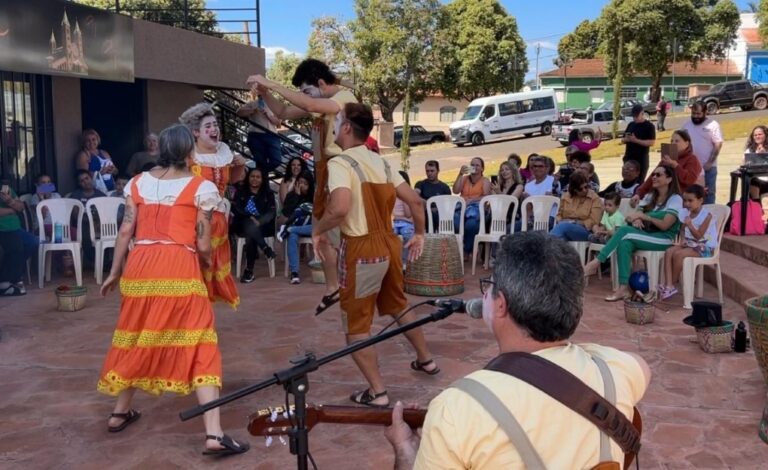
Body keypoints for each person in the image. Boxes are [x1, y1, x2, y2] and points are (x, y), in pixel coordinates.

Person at [385, 231, 651, 469]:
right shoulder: (615, 368)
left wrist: (405, 449)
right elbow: (643, 367)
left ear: (501, 305)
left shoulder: (458, 407)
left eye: (489, 286)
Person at [96, 124, 249, 457]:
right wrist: (207, 266)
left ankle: (119, 412)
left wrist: (113, 272)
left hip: (139, 267)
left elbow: (125, 232)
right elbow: (204, 243)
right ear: (188, 153)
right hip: (178, 265)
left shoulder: (137, 183)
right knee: (201, 341)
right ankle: (214, 434)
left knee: (138, 334)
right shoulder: (201, 188)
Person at [311, 102, 437, 407]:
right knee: (398, 305)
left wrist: (318, 229)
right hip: (389, 244)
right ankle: (426, 360)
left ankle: (378, 393)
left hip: (362, 249)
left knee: (356, 327)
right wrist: (419, 234)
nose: (333, 125)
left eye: (336, 120)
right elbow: (416, 203)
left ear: (345, 128)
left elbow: (340, 207)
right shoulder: (382, 162)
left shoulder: (340, 164)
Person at [248, 58, 355, 315]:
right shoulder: (321, 104)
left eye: (306, 90)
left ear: (320, 83)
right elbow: (283, 113)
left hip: (343, 172)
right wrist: (264, 93)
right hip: (324, 175)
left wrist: (270, 82)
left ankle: (356, 290)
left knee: (345, 237)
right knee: (322, 238)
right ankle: (333, 289)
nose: (304, 97)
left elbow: (307, 102)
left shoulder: (344, 97)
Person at [179, 102, 245, 309]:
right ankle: (192, 311)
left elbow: (233, 180)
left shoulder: (224, 154)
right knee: (197, 265)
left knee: (213, 266)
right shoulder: (188, 158)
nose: (214, 129)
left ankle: (203, 310)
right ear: (196, 132)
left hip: (219, 219)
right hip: (194, 219)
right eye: (208, 126)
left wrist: (240, 165)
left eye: (215, 124)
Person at [584, 164, 683, 301]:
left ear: (669, 179)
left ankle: (596, 262)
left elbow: (666, 225)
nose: (653, 177)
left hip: (665, 239)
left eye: (658, 175)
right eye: (653, 174)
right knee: (624, 243)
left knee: (624, 231)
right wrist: (636, 220)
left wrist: (645, 217)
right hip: (647, 235)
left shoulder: (675, 199)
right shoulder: (649, 196)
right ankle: (623, 288)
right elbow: (632, 216)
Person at [659, 184, 718, 300]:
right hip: (690, 243)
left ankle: (671, 285)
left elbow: (699, 236)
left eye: (690, 201)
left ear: (700, 200)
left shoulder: (706, 216)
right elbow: (682, 230)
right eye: (685, 201)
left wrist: (690, 225)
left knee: (679, 254)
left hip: (705, 247)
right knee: (669, 251)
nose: (687, 204)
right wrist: (682, 240)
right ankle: (669, 285)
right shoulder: (685, 212)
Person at [632, 129, 703, 205]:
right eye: (671, 141)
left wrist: (675, 166)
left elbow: (690, 180)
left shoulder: (692, 159)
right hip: (663, 198)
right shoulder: (667, 159)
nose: (673, 143)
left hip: (681, 201)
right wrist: (638, 194)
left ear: (686, 143)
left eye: (677, 141)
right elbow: (652, 178)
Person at [231, 167, 277, 284]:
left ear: (262, 179)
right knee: (248, 224)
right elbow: (236, 208)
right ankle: (265, 248)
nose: (254, 179)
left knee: (251, 233)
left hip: (261, 227)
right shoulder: (241, 191)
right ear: (248, 178)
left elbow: (271, 212)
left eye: (258, 177)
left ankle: (249, 271)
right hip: (241, 224)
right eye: (252, 176)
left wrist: (260, 221)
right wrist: (249, 216)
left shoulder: (268, 193)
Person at [681, 101, 722, 204]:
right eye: (693, 113)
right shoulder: (686, 125)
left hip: (708, 167)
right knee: (690, 194)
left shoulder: (713, 125)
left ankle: (709, 217)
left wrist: (709, 162)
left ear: (705, 112)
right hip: (690, 167)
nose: (695, 116)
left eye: (698, 114)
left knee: (708, 193)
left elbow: (718, 144)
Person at [280, 171, 315, 285]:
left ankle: (288, 230)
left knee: (316, 227)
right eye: (299, 182)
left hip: (313, 227)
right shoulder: (291, 195)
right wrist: (296, 196)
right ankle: (294, 273)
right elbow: (287, 213)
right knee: (292, 235)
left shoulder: (315, 196)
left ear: (310, 184)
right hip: (298, 226)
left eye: (305, 183)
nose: (301, 185)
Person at [452, 157, 491, 257]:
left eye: (477, 165)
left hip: (475, 207)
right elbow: (455, 191)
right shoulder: (465, 178)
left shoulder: (485, 180)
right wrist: (460, 174)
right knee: (455, 221)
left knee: (471, 225)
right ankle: (466, 245)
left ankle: (466, 250)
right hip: (461, 206)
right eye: (472, 165)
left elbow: (486, 196)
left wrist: (473, 200)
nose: (474, 167)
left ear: (482, 168)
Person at [549, 172, 603, 242]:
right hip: (565, 229)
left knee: (563, 227)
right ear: (574, 189)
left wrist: (574, 222)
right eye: (580, 189)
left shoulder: (594, 198)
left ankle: (546, 246)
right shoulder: (566, 197)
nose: (584, 190)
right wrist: (560, 220)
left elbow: (594, 221)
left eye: (586, 187)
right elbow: (559, 214)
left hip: (586, 231)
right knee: (560, 238)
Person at [236, 91, 283, 172]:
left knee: (276, 161)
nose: (262, 96)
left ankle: (258, 174)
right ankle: (261, 177)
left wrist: (268, 114)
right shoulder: (252, 103)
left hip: (272, 136)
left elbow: (278, 123)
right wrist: (252, 110)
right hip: (256, 136)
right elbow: (239, 112)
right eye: (260, 95)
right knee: (260, 162)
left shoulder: (275, 106)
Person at [0, 183, 27, 296]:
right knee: (15, 245)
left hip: (16, 228)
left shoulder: (6, 189)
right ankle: (7, 282)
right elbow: (16, 210)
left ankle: (14, 277)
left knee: (32, 242)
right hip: (3, 230)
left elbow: (21, 207)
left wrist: (10, 201)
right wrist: (12, 210)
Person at [76, 129, 119, 193]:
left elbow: (116, 171)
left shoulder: (104, 152)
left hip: (111, 189)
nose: (91, 142)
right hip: (95, 190)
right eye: (88, 140)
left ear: (98, 140)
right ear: (84, 142)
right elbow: (82, 176)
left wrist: (112, 170)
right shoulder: (83, 155)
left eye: (93, 139)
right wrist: (100, 173)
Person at [621, 104, 656, 182]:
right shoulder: (631, 124)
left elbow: (651, 142)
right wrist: (626, 139)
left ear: (642, 114)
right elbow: (622, 139)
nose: (635, 118)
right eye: (633, 116)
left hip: (641, 159)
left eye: (637, 116)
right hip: (629, 158)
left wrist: (636, 140)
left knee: (639, 182)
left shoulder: (649, 126)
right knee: (627, 181)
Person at [414, 160, 451, 232]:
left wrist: (437, 209)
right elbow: (415, 197)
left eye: (432, 171)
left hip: (440, 214)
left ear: (438, 171)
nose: (429, 173)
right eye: (427, 171)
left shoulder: (444, 187)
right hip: (424, 214)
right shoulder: (420, 184)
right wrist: (428, 206)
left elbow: (448, 205)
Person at [393, 171, 415, 268]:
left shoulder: (407, 196)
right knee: (390, 236)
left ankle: (405, 262)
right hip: (393, 223)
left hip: (406, 223)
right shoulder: (391, 196)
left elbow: (408, 214)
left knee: (407, 234)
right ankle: (393, 262)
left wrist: (405, 198)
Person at [743, 125, 768, 199]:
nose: (757, 136)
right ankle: (756, 204)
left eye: (760, 134)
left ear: (766, 135)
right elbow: (743, 164)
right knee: (752, 180)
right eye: (755, 135)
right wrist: (746, 163)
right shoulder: (750, 150)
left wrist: (764, 154)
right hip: (756, 180)